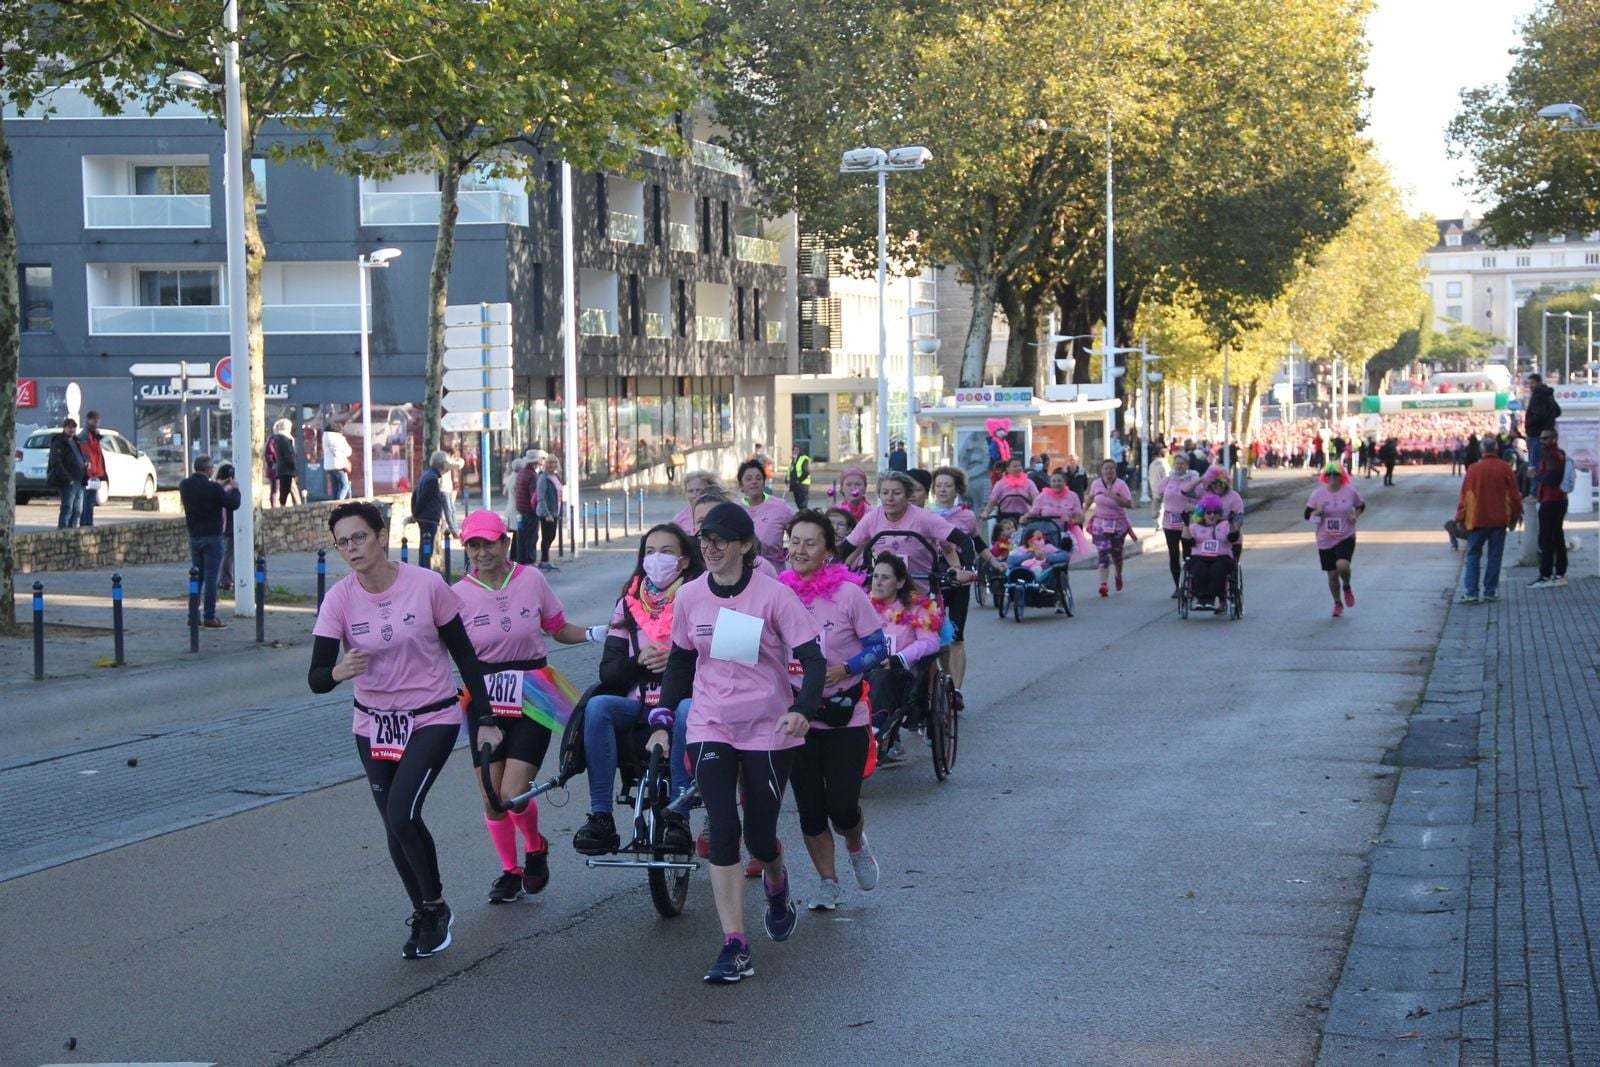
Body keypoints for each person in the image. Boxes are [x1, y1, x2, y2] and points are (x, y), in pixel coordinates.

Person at [308, 501, 495, 959]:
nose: (352, 548)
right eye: (342, 542)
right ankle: (424, 911)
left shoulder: (426, 585)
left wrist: (487, 718)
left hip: (432, 715)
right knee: (394, 824)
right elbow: (316, 677)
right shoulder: (339, 599)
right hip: (374, 724)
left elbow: (464, 654)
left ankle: (436, 906)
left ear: (381, 536)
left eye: (359, 537)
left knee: (402, 813)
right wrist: (338, 672)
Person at [657, 501, 825, 984]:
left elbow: (813, 660)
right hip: (711, 723)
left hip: (768, 726)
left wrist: (801, 709)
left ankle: (776, 877)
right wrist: (663, 716)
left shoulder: (774, 596)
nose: (709, 548)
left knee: (759, 837)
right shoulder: (690, 596)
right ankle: (735, 943)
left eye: (720, 541)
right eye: (704, 540)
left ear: (745, 545)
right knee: (723, 829)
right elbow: (680, 660)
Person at [454, 509, 594, 903]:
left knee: (513, 791)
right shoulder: (456, 594)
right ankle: (510, 871)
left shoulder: (531, 579)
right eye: (473, 545)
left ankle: (535, 845)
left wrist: (599, 632)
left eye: (488, 543)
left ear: (505, 542)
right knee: (491, 797)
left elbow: (558, 628)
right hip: (483, 699)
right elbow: (437, 647)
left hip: (533, 693)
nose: (481, 552)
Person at [575, 523, 703, 855]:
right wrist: (638, 663)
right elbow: (609, 671)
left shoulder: (699, 598)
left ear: (684, 560)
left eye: (667, 552)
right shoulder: (628, 604)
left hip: (685, 701)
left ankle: (678, 816)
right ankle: (601, 817)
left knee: (687, 709)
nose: (657, 558)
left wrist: (677, 660)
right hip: (639, 703)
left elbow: (717, 659)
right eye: (650, 551)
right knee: (598, 706)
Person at [780, 511, 886, 910]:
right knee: (810, 809)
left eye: (810, 543)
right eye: (795, 541)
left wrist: (846, 669)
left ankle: (855, 843)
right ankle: (828, 882)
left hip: (844, 713)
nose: (800, 550)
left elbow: (878, 647)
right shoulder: (778, 593)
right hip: (797, 715)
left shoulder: (849, 595)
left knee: (841, 807)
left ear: (828, 550)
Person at [864, 553, 944, 766]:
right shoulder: (864, 605)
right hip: (864, 668)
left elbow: (931, 642)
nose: (878, 582)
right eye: (875, 576)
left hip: (901, 674)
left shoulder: (917, 608)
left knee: (881, 676)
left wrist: (899, 658)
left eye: (885, 577)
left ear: (899, 582)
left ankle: (875, 729)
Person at [842, 471, 975, 590]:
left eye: (897, 493)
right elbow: (845, 548)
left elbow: (964, 540)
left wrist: (966, 569)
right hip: (884, 593)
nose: (890, 498)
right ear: (879, 495)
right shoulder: (871, 518)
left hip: (922, 592)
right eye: (885, 493)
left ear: (908, 495)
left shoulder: (925, 518)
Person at [928, 466, 978, 688]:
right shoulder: (925, 515)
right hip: (933, 576)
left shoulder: (967, 516)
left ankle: (956, 691)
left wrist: (992, 563)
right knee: (937, 637)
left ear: (957, 489)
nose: (942, 490)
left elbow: (976, 543)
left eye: (948, 486)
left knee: (957, 637)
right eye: (938, 485)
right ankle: (946, 684)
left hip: (958, 577)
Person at [179, 455, 241, 629]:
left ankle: (193, 615)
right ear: (208, 469)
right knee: (211, 578)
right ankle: (209, 616)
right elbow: (233, 504)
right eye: (212, 468)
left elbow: (205, 490)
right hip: (212, 537)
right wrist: (235, 489)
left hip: (195, 536)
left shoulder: (185, 485)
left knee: (196, 577)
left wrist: (219, 485)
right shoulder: (213, 488)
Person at [1455, 446, 1522, 603]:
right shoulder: (1505, 468)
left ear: (1482, 451)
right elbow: (1514, 495)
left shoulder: (1474, 469)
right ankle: (1490, 592)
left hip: (1477, 519)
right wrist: (1515, 516)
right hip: (1499, 519)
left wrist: (1460, 517)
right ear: (1496, 450)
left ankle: (1471, 593)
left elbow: (1465, 495)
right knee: (1494, 556)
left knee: (1473, 554)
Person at [1306, 461, 1365, 617]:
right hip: (1325, 539)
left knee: (1343, 566)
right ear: (1325, 477)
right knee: (1332, 575)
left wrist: (1355, 515)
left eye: (1336, 474)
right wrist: (1317, 512)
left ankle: (1346, 585)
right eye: (1329, 474)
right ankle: (1337, 603)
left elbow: (1361, 505)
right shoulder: (1317, 494)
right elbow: (1307, 514)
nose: (1332, 477)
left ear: (1342, 476)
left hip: (1346, 535)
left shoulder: (1350, 491)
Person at [1082, 458, 1135, 597]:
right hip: (1100, 522)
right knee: (1103, 552)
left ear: (1115, 470)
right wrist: (1083, 512)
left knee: (1117, 554)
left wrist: (1115, 497)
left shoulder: (1121, 485)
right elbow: (1090, 499)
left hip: (1118, 523)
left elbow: (1129, 504)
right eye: (1106, 468)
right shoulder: (1096, 484)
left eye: (1111, 468)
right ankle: (1103, 584)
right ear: (1101, 470)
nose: (1109, 471)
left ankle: (1118, 574)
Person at [737, 457, 796, 570]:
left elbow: (798, 532)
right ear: (741, 485)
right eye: (748, 479)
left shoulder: (780, 506)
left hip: (775, 573)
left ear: (764, 483)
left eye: (758, 478)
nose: (754, 482)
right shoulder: (735, 510)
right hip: (744, 573)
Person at [1531, 427, 1570, 589]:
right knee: (1556, 537)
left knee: (1547, 539)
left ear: (1554, 439)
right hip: (1554, 500)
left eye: (1545, 438)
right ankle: (1558, 573)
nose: (1542, 441)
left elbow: (1553, 478)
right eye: (1541, 438)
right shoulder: (1553, 454)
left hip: (1552, 501)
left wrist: (1536, 475)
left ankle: (1547, 575)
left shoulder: (1553, 455)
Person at [1181, 495, 1236, 610]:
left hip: (1221, 557)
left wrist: (1231, 523)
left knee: (1217, 569)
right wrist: (1186, 525)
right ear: (1202, 514)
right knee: (1199, 568)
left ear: (1219, 514)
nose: (1212, 515)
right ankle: (1202, 599)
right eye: (1208, 512)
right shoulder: (1195, 527)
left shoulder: (1225, 525)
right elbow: (1187, 542)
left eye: (1215, 512)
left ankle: (1212, 598)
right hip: (1199, 556)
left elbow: (1233, 538)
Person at [1157, 452, 1200, 597]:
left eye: (1182, 464)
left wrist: (1194, 507)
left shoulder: (1193, 479)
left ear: (1187, 465)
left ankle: (1190, 584)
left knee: (1188, 554)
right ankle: (1178, 586)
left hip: (1188, 521)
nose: (1179, 466)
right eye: (1177, 463)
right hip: (1170, 522)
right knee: (1173, 555)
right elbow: (1158, 495)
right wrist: (1155, 508)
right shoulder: (1168, 480)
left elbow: (1202, 497)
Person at [411, 451, 454, 567]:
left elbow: (415, 495)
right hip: (429, 519)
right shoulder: (432, 479)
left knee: (424, 549)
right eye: (447, 464)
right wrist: (415, 514)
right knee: (427, 550)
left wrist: (415, 513)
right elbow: (423, 498)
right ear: (442, 464)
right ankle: (424, 572)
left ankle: (422, 570)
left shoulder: (426, 475)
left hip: (424, 518)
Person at [47, 417, 87, 529]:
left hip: (80, 480)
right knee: (67, 508)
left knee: (78, 509)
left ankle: (73, 530)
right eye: (69, 427)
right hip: (68, 481)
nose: (72, 430)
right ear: (64, 428)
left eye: (74, 427)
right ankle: (63, 531)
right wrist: (68, 479)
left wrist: (85, 463)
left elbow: (80, 456)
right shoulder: (59, 442)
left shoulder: (76, 441)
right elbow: (56, 462)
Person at [981, 456, 1039, 526]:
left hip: (1024, 518)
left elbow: (1036, 500)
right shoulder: (1000, 484)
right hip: (1005, 518)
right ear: (1008, 469)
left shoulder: (1029, 483)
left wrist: (1031, 514)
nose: (1018, 468)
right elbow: (992, 501)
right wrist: (986, 512)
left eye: (1019, 466)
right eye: (1015, 466)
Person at [1524, 373, 1561, 468]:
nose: (1530, 386)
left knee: (1535, 466)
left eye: (1532, 383)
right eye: (1529, 383)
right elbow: (1558, 411)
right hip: (1548, 435)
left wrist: (1529, 423)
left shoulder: (1538, 395)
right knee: (1545, 464)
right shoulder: (1548, 395)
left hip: (1536, 435)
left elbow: (1539, 415)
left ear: (1539, 383)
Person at [512, 450, 543, 564]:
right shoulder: (532, 475)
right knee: (531, 538)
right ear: (536, 462)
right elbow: (534, 497)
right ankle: (530, 562)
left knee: (522, 538)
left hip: (520, 511)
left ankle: (520, 561)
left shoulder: (521, 473)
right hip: (530, 512)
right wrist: (537, 510)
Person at [78, 411, 107, 527]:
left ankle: (89, 523)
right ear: (88, 420)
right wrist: (88, 470)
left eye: (97, 420)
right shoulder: (84, 436)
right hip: (88, 473)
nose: (96, 423)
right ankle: (85, 524)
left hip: (95, 473)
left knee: (90, 501)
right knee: (86, 501)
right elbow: (86, 454)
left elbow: (98, 455)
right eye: (94, 420)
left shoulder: (94, 435)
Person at [535, 454, 563, 571]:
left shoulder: (556, 477)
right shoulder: (543, 478)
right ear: (546, 464)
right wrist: (547, 514)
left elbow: (559, 495)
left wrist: (560, 512)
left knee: (552, 535)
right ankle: (544, 561)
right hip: (546, 513)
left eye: (554, 462)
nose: (552, 465)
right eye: (550, 462)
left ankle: (545, 559)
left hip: (555, 511)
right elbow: (541, 498)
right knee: (547, 536)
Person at [671, 469, 721, 534]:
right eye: (690, 491)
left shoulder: (720, 512)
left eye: (699, 490)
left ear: (710, 490)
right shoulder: (679, 520)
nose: (694, 495)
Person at [266, 419, 299, 507]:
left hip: (282, 468)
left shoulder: (283, 438)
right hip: (283, 468)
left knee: (286, 488)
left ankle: (294, 505)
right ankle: (280, 507)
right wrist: (273, 464)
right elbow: (287, 454)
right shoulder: (283, 439)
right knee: (280, 489)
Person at [217, 462, 237, 592]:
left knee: (227, 553)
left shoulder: (220, 489)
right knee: (229, 554)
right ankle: (226, 580)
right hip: (230, 525)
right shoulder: (229, 490)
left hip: (224, 526)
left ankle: (226, 579)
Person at [322, 422, 353, 500]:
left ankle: (333, 503)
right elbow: (346, 451)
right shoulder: (338, 438)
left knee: (335, 486)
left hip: (329, 466)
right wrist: (344, 462)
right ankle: (339, 502)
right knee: (345, 485)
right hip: (339, 465)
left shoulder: (325, 437)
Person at [788, 442, 813, 510]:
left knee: (803, 504)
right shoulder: (793, 459)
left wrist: (799, 480)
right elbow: (791, 471)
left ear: (800, 450)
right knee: (798, 504)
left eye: (797, 450)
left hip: (802, 485)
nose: (794, 451)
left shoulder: (804, 459)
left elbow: (806, 472)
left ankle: (804, 515)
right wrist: (787, 479)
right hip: (795, 485)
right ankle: (802, 514)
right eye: (793, 450)